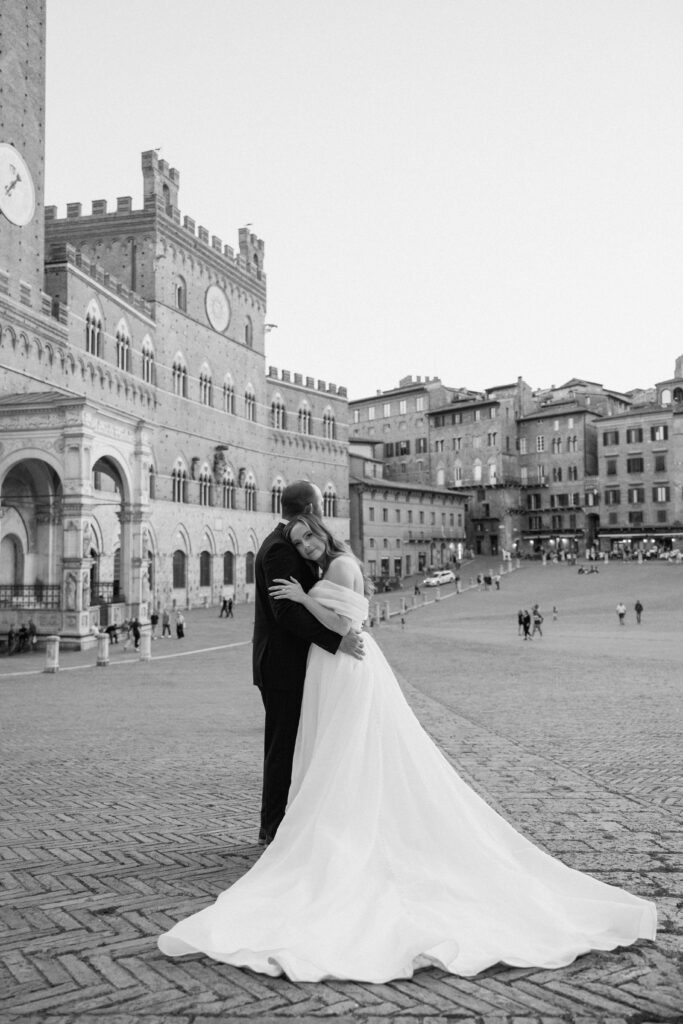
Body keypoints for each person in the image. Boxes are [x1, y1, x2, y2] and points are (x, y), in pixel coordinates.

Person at [158, 512, 656, 982]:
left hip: (345, 665)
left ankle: (347, 835)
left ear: (322, 530)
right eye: (299, 541)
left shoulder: (339, 566)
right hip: (341, 668)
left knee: (345, 754)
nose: (306, 546)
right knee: (347, 754)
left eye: (309, 536)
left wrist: (303, 598)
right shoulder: (334, 564)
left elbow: (343, 628)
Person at [249, 480, 365, 847]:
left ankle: (284, 824)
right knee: (283, 748)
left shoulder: (286, 543)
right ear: (312, 510)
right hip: (283, 665)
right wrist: (337, 640)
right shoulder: (280, 549)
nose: (305, 546)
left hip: (291, 664)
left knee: (293, 745)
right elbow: (285, 612)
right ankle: (273, 829)